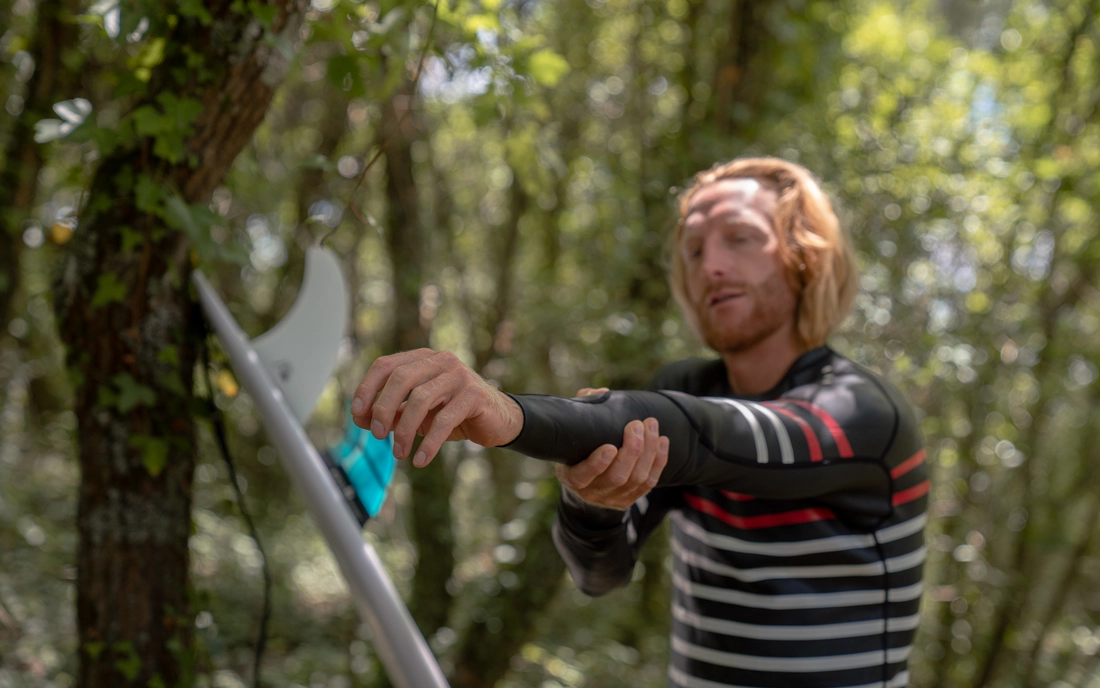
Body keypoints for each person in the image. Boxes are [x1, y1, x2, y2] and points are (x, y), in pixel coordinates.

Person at [350, 157, 927, 688]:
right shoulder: (686, 386)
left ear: (806, 257)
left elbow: (709, 436)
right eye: (694, 249)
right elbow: (599, 574)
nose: (712, 266)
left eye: (741, 238)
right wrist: (594, 502)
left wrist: (509, 412)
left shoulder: (863, 413)